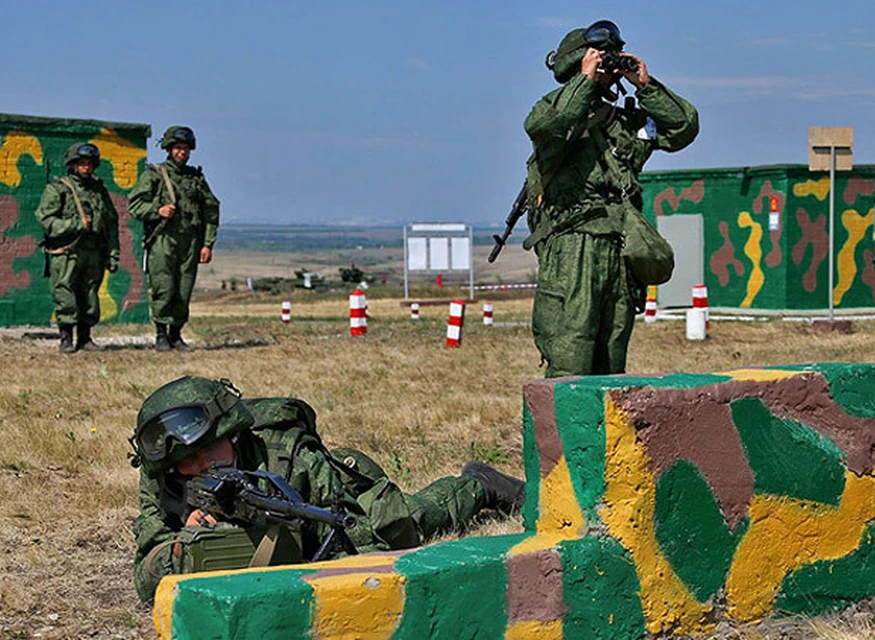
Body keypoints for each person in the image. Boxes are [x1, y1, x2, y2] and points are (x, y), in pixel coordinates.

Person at [131, 376, 524, 604]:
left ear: (232, 435)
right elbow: (145, 575)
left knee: (409, 523)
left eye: (208, 451)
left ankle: (480, 484)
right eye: (188, 461)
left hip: (342, 505)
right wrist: (185, 547)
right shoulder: (165, 477)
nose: (200, 466)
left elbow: (357, 546)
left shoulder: (290, 456)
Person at [524, 20, 699, 377]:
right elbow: (546, 125)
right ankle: (565, 432)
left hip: (619, 249)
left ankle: (605, 432)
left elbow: (683, 128)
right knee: (570, 353)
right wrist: (585, 81)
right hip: (573, 246)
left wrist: (646, 86)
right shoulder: (556, 114)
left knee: (611, 358)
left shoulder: (625, 121)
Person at [128, 126, 219, 352]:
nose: (182, 153)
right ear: (169, 149)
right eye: (178, 148)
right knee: (163, 286)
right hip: (163, 240)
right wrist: (157, 210)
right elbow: (134, 204)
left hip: (190, 242)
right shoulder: (155, 174)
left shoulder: (195, 178)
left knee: (183, 289)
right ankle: (161, 334)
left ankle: (176, 335)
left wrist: (207, 243)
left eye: (186, 149)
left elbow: (211, 209)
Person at [35, 143, 120, 353]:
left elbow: (111, 222)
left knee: (89, 295)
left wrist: (113, 252)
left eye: (89, 163)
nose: (86, 167)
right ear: (72, 164)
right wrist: (75, 224)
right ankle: (65, 338)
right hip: (66, 252)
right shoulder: (59, 188)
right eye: (81, 163)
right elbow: (45, 219)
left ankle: (85, 338)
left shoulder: (98, 190)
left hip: (93, 252)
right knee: (65, 293)